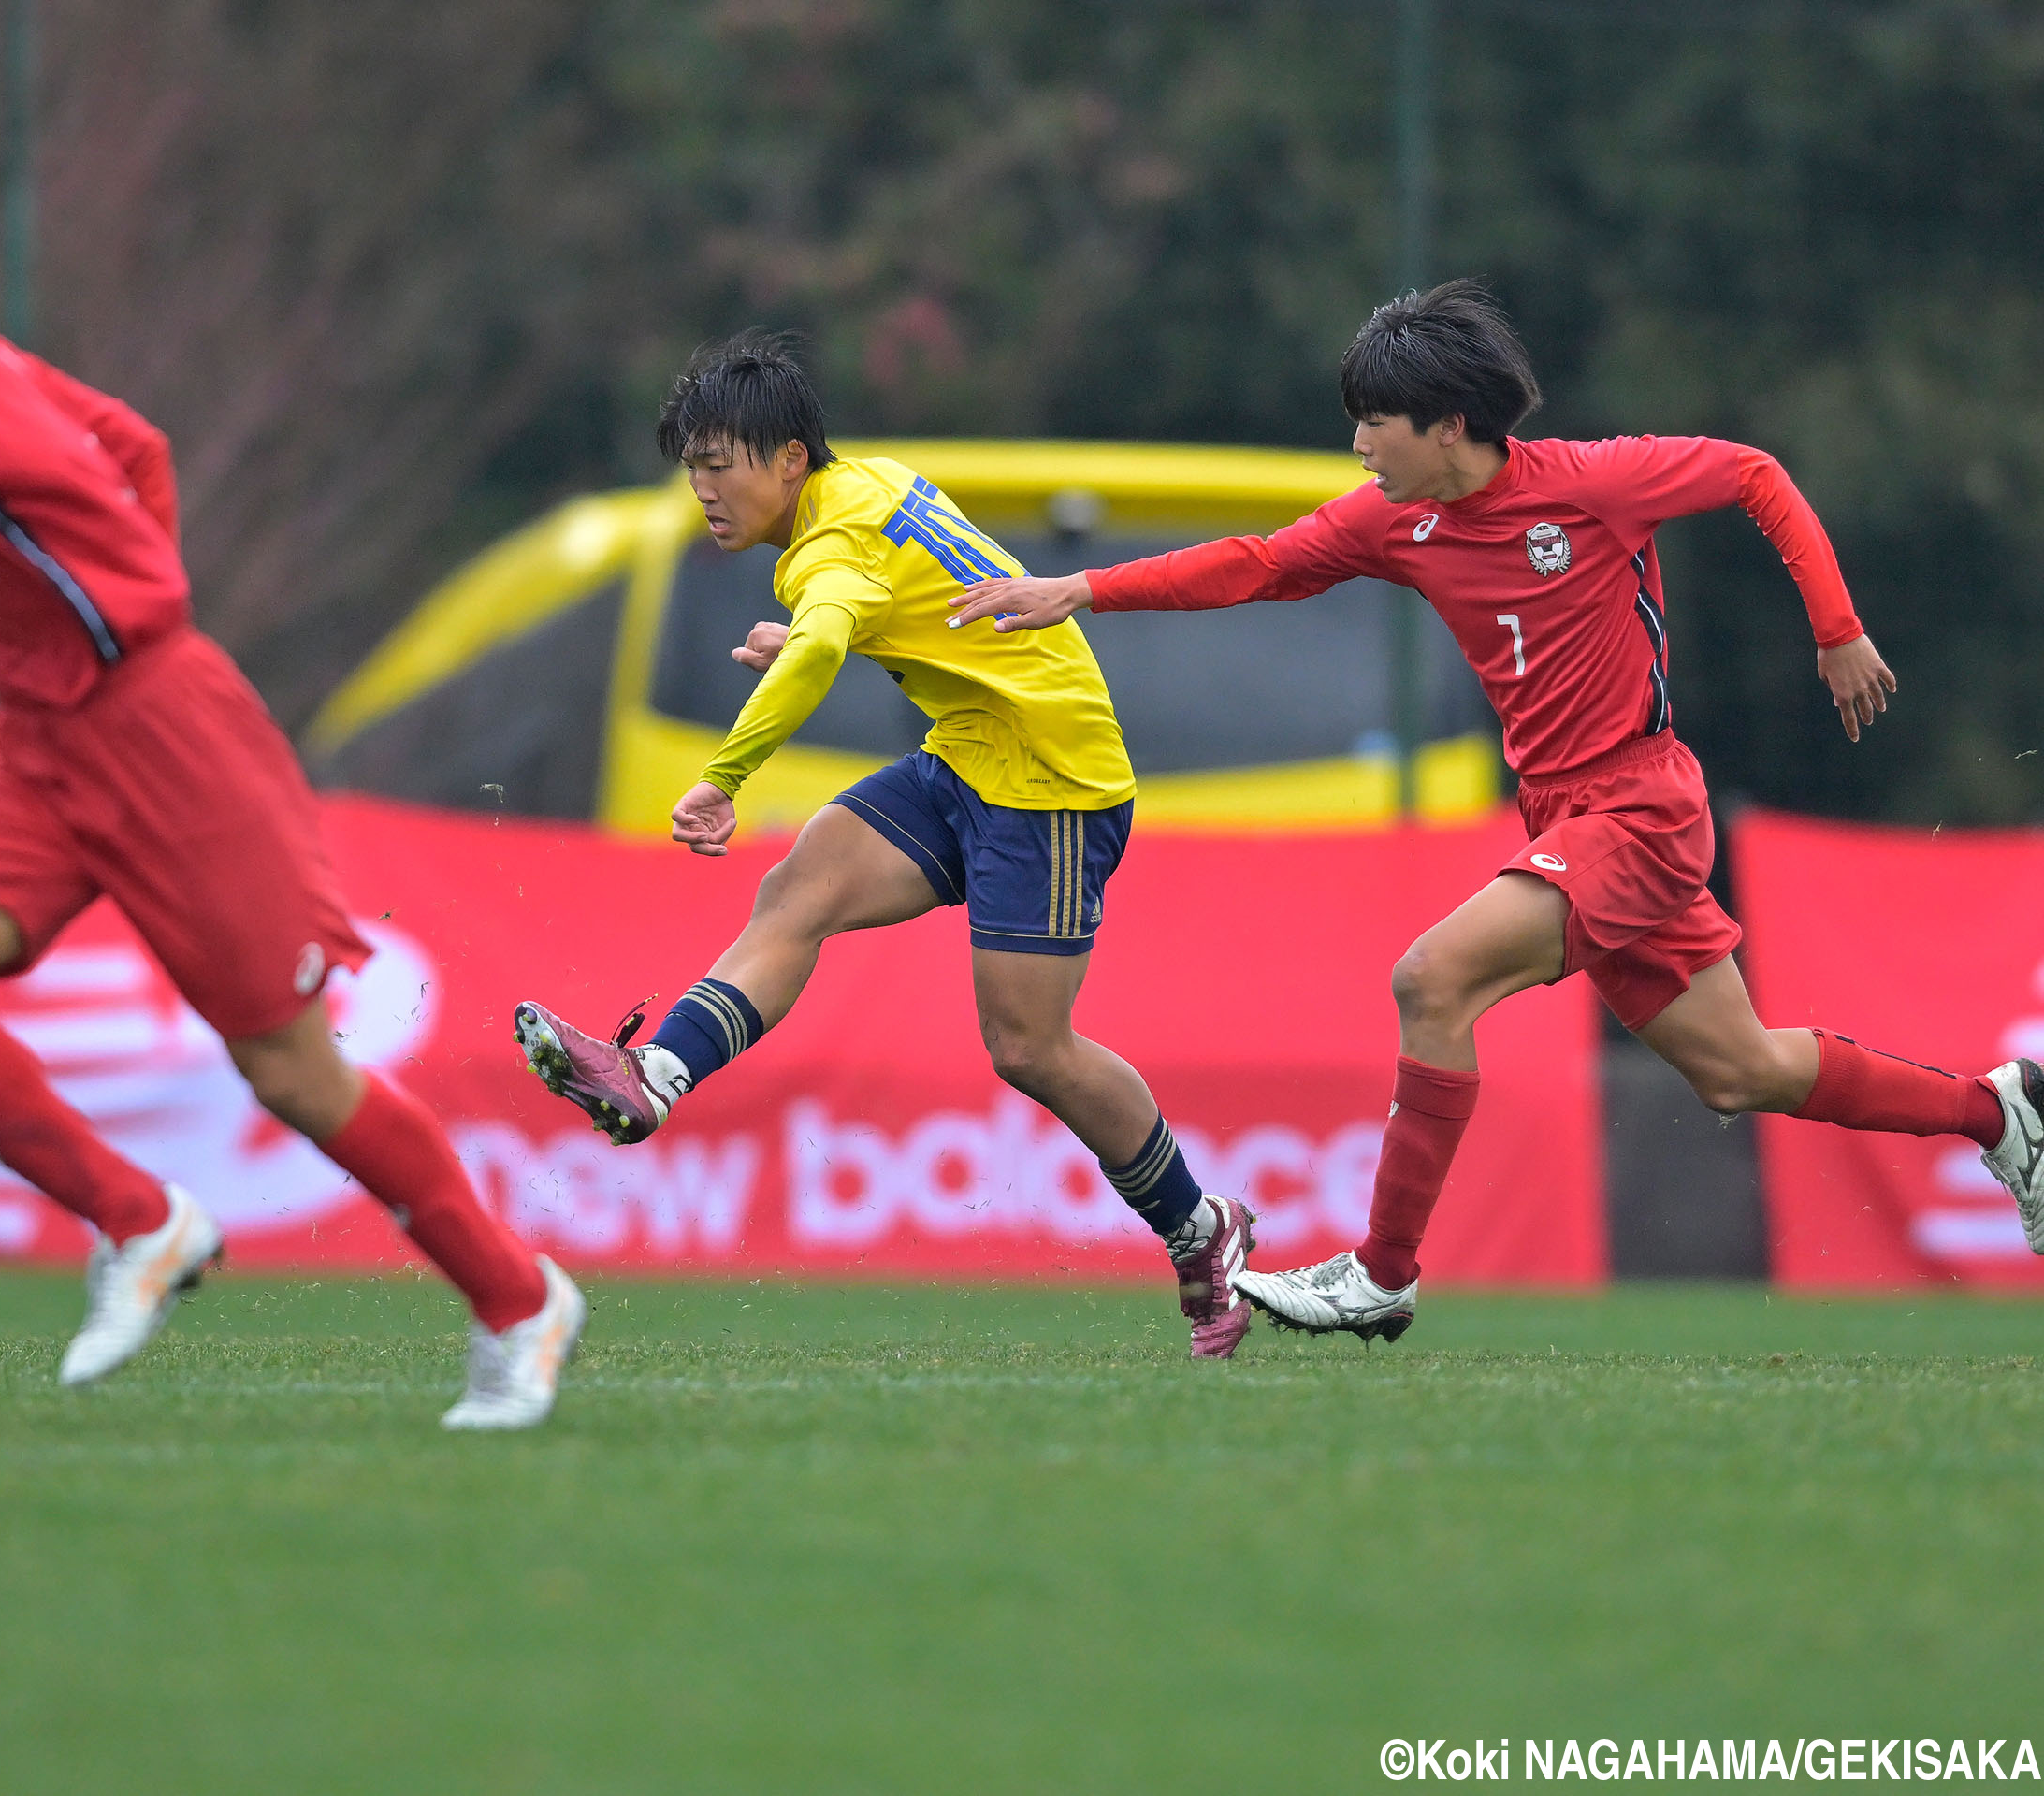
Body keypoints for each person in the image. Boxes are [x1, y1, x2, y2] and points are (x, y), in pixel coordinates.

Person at [0, 127, 581, 1427]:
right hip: (48, 745)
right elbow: (134, 444)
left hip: (163, 743)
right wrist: (104, 614)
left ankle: (519, 1301)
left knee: (296, 1076)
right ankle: (141, 1221)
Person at [949, 279, 2044, 1339]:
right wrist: (1080, 590)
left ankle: (1380, 1274)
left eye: (1374, 422)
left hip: (1639, 811)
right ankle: (2000, 1114)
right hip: (1567, 822)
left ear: (1448, 424)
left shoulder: (1591, 483)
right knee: (1739, 1067)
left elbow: (1754, 473)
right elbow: (1257, 565)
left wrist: (1835, 627)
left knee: (1432, 978)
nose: (1360, 446)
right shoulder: (1396, 522)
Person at [510, 332, 1255, 1356]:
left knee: (1029, 1048)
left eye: (718, 464)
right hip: (972, 755)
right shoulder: (869, 483)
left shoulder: (823, 548)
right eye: (690, 469)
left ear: (787, 460)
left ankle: (1199, 1225)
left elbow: (829, 625)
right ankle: (654, 1077)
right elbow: (905, 606)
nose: (703, 492)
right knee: (798, 890)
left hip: (1050, 784)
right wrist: (829, 630)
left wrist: (724, 775)